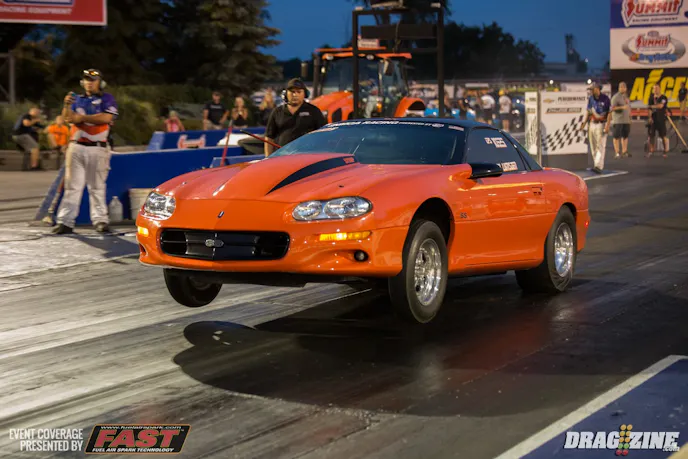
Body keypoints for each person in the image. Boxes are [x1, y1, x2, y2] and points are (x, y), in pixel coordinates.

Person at [52, 68, 118, 235]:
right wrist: (66, 105)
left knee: (97, 186)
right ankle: (65, 221)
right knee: (72, 186)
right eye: (87, 79)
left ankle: (100, 220)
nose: (89, 82)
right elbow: (67, 118)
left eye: (93, 80)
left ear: (100, 82)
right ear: (83, 82)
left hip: (98, 147)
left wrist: (81, 118)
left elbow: (107, 117)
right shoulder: (77, 99)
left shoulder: (107, 98)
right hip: (77, 146)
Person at [264, 78, 326, 157]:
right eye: (292, 92)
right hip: (281, 157)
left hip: (307, 157)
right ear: (285, 94)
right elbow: (269, 137)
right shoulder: (277, 112)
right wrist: (267, 158)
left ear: (305, 94)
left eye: (299, 92)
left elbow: (323, 136)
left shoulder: (314, 111)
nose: (295, 95)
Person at [580, 83, 611, 173]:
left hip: (601, 124)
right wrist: (584, 123)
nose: (591, 91)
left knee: (600, 145)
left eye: (592, 89)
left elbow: (610, 113)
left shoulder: (605, 99)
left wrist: (607, 125)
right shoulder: (591, 99)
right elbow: (588, 112)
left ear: (597, 89)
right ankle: (596, 164)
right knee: (593, 146)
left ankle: (599, 166)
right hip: (592, 124)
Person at [606, 81, 632, 158]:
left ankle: (624, 151)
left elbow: (628, 108)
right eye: (621, 87)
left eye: (624, 87)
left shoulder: (626, 97)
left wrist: (630, 118)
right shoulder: (615, 97)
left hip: (626, 120)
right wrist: (622, 107)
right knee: (616, 136)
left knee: (625, 136)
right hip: (618, 120)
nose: (622, 88)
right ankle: (617, 152)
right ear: (619, 88)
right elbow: (612, 108)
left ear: (626, 88)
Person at [647, 83, 669, 158]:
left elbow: (660, 106)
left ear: (660, 89)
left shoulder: (663, 98)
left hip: (661, 119)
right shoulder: (651, 98)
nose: (655, 90)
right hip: (653, 119)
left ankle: (665, 151)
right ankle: (651, 151)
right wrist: (649, 118)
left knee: (663, 136)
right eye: (654, 88)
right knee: (651, 136)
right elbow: (649, 109)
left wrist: (651, 106)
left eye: (656, 88)